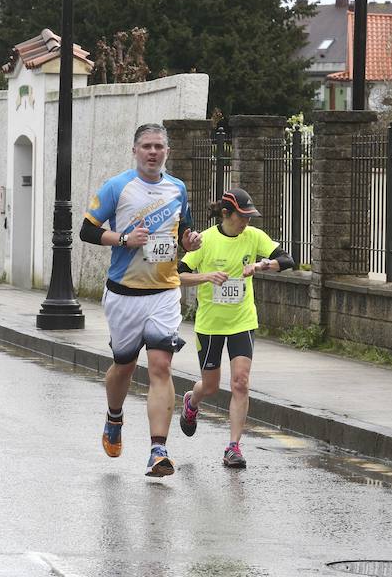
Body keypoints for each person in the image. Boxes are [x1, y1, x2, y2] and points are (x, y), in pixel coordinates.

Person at [79, 123, 201, 477]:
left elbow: (183, 233)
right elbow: (87, 230)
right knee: (125, 365)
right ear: (135, 151)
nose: (152, 152)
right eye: (146, 146)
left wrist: (190, 243)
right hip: (124, 294)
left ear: (167, 151)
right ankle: (114, 416)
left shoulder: (177, 188)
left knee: (161, 366)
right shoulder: (118, 186)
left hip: (164, 291)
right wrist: (122, 240)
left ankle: (158, 450)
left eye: (158, 146)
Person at [177, 188, 296, 468]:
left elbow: (288, 260)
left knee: (240, 382)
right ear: (226, 214)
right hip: (210, 324)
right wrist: (206, 276)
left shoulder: (253, 236)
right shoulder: (204, 240)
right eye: (242, 217)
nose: (246, 222)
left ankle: (233, 447)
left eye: (249, 217)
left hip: (242, 320)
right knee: (210, 386)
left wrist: (262, 265)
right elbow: (177, 274)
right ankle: (191, 402)